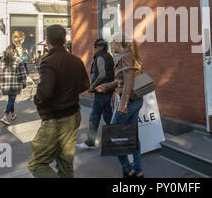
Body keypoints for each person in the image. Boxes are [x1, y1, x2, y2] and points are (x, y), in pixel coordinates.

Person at [28, 25, 90, 178]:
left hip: (56, 119)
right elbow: (85, 84)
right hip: (73, 115)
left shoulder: (48, 61)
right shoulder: (76, 60)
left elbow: (45, 92)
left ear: (47, 41)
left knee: (37, 164)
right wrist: (68, 94)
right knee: (65, 162)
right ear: (64, 40)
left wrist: (37, 101)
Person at [95, 34, 143, 178]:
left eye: (113, 44)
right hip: (135, 100)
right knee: (133, 135)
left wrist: (123, 104)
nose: (112, 46)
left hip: (129, 102)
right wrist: (106, 86)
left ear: (118, 43)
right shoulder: (128, 55)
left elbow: (129, 82)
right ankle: (138, 169)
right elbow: (123, 81)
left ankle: (128, 169)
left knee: (113, 136)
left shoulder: (126, 57)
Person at [77, 38, 115, 149]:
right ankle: (91, 141)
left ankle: (116, 139)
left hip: (102, 91)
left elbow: (102, 75)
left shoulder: (100, 57)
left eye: (96, 47)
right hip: (104, 91)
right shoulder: (108, 56)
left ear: (101, 47)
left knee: (106, 116)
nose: (94, 49)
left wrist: (92, 87)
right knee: (97, 115)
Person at [0, 45, 27, 126]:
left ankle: (13, 114)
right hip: (14, 84)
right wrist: (24, 82)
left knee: (11, 99)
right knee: (11, 100)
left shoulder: (2, 59)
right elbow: (22, 73)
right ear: (13, 51)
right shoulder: (18, 59)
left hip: (5, 84)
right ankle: (5, 117)